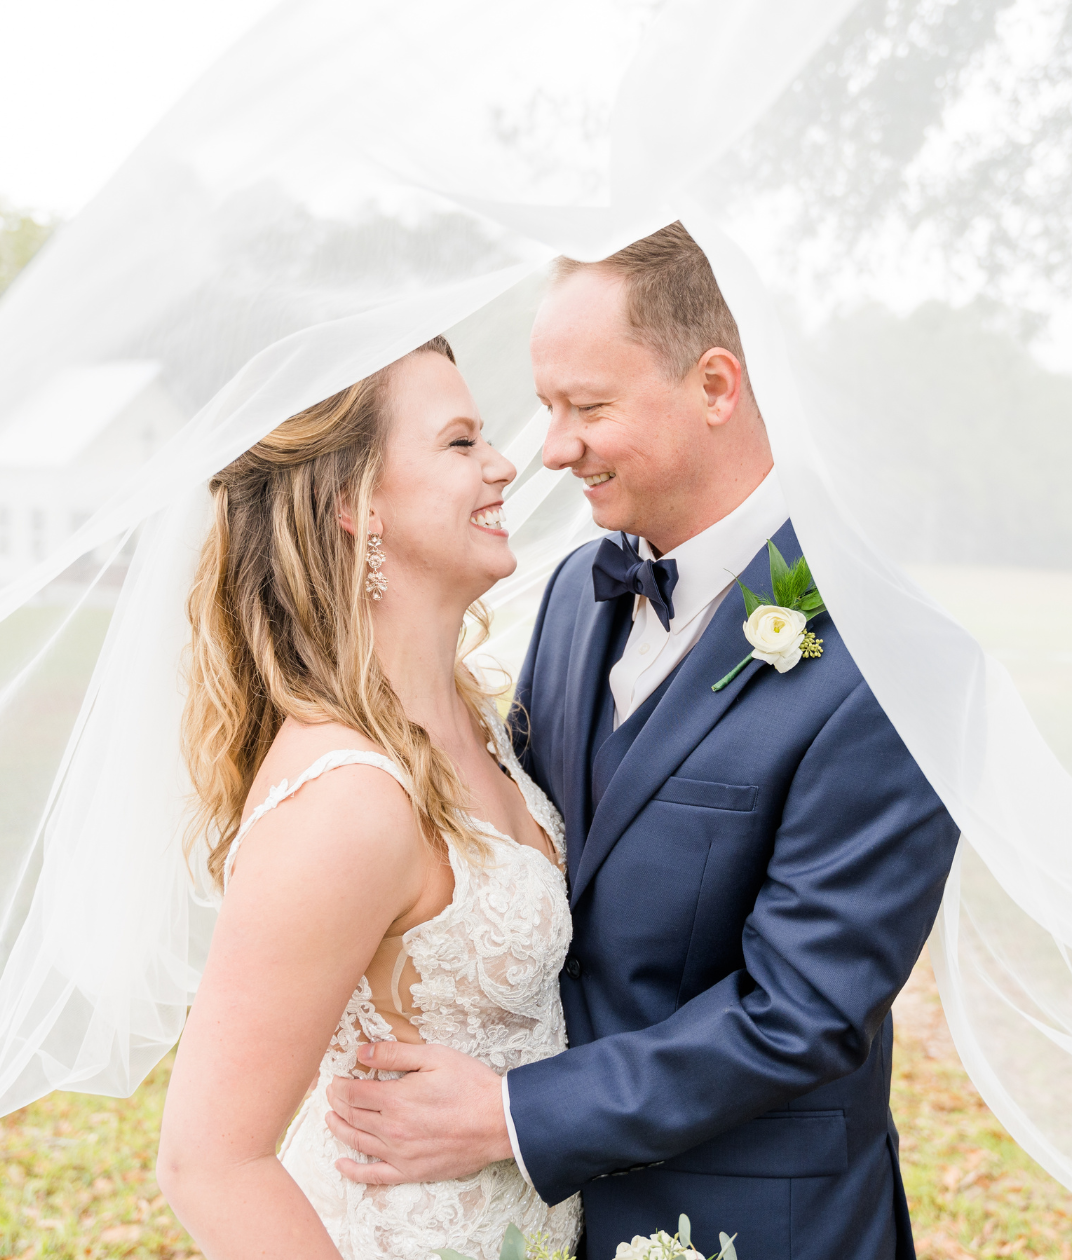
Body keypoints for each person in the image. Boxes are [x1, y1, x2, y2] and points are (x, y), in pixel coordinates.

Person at [319, 225, 962, 1259]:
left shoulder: (890, 658)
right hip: (532, 1220)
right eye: (546, 408)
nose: (552, 448)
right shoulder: (579, 590)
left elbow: (799, 1011)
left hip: (758, 1225)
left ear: (715, 385)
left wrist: (510, 1115)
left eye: (587, 407)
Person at [155, 336, 584, 1257]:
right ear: (356, 504)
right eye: (462, 444)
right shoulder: (348, 797)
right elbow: (208, 1162)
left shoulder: (478, 725)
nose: (507, 464)